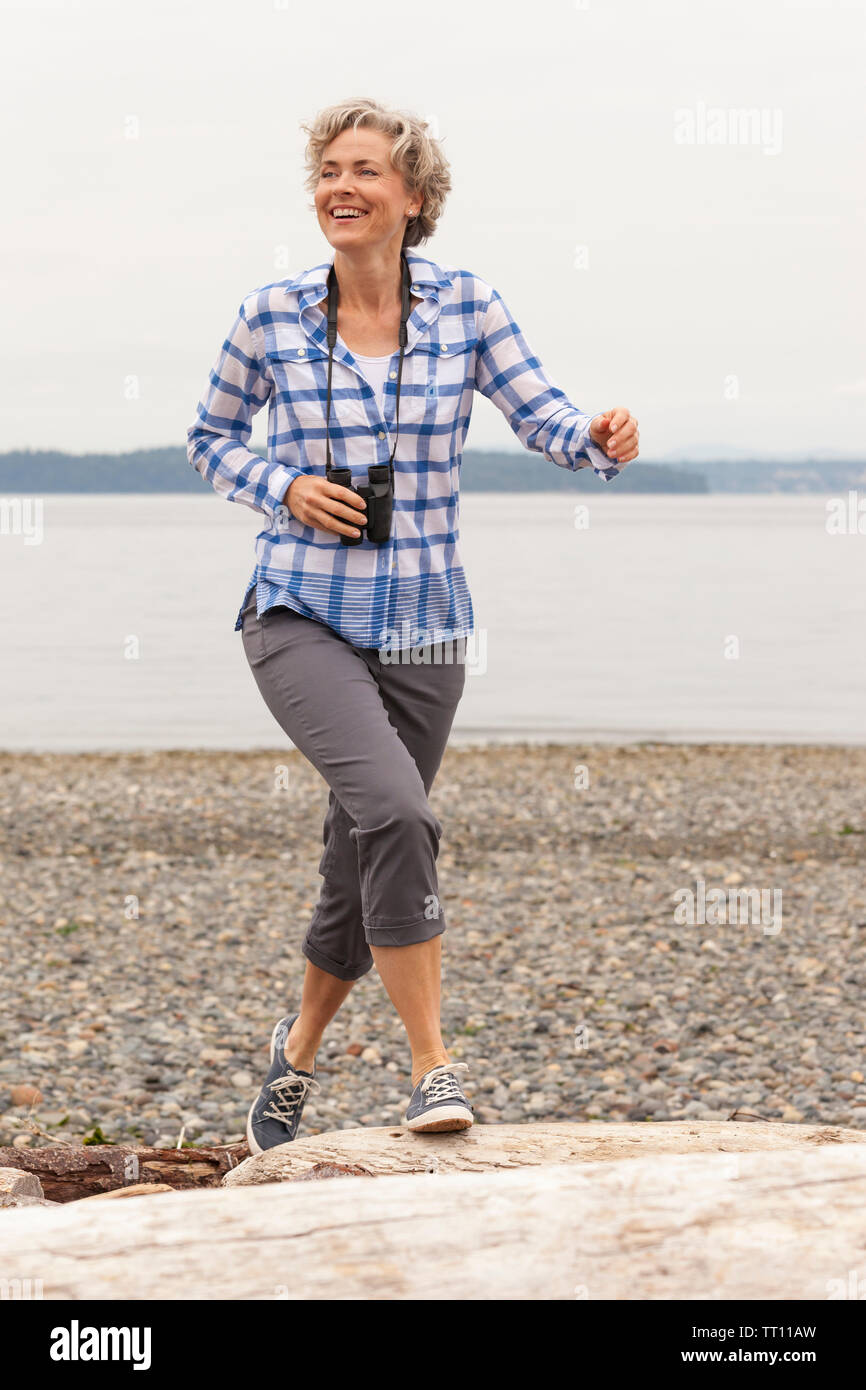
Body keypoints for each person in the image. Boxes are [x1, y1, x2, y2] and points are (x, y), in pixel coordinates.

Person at [186, 97, 639, 1152]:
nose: (341, 186)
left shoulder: (468, 308)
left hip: (430, 626)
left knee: (363, 844)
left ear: (414, 199)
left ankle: (292, 1060)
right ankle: (434, 1066)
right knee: (396, 810)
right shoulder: (271, 315)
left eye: (366, 171)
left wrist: (602, 439)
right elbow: (209, 436)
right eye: (328, 170)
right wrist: (282, 485)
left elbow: (546, 419)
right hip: (300, 609)